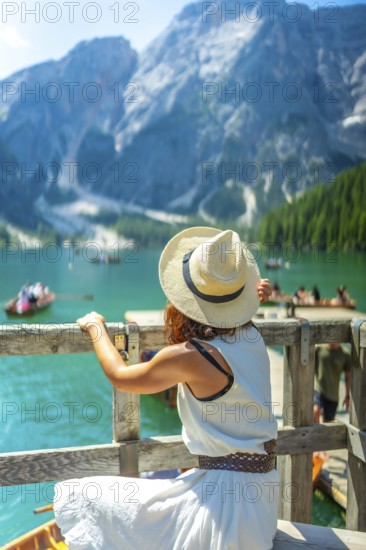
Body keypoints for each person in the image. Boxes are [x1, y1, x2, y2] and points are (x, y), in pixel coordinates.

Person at [54, 227, 279, 550]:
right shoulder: (251, 337)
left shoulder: (192, 356)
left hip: (228, 511)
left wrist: (96, 329)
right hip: (261, 502)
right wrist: (246, 302)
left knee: (88, 496)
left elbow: (121, 375)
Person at [313, 343, 351, 423]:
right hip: (318, 389)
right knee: (315, 411)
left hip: (333, 395)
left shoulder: (345, 353)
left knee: (328, 423)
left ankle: (321, 434)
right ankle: (316, 434)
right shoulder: (318, 349)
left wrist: (347, 396)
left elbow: (348, 377)